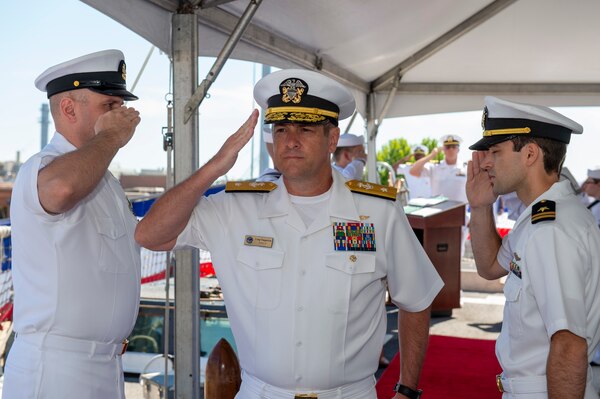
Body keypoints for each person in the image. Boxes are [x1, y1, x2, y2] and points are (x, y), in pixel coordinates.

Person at [135, 68, 443, 399]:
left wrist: (407, 390)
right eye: (281, 129)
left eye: (306, 129)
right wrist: (214, 168)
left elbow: (416, 299)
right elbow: (150, 235)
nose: (291, 140)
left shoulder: (378, 213)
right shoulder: (235, 209)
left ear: (332, 139)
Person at [3, 49, 142, 399]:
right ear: (68, 109)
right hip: (56, 368)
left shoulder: (106, 181)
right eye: (109, 106)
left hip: (107, 364)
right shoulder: (43, 166)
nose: (121, 115)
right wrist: (109, 138)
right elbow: (61, 188)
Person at [466, 96, 600, 398]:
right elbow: (489, 267)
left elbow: (569, 344)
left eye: (495, 152)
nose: (486, 162)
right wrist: (480, 207)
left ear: (529, 154)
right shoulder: (540, 216)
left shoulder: (549, 229)